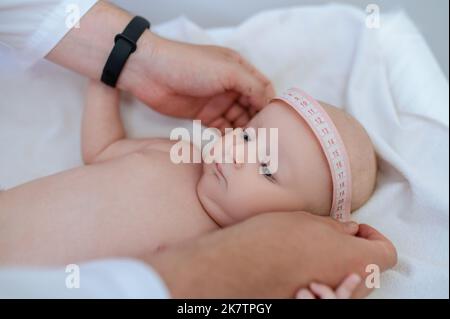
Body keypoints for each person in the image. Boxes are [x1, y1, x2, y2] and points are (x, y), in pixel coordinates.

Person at [0, 0, 397, 298]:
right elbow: (103, 150)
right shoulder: (179, 155)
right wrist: (108, 77)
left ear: (290, 224)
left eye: (267, 170)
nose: (239, 153)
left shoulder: (225, 253)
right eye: (247, 137)